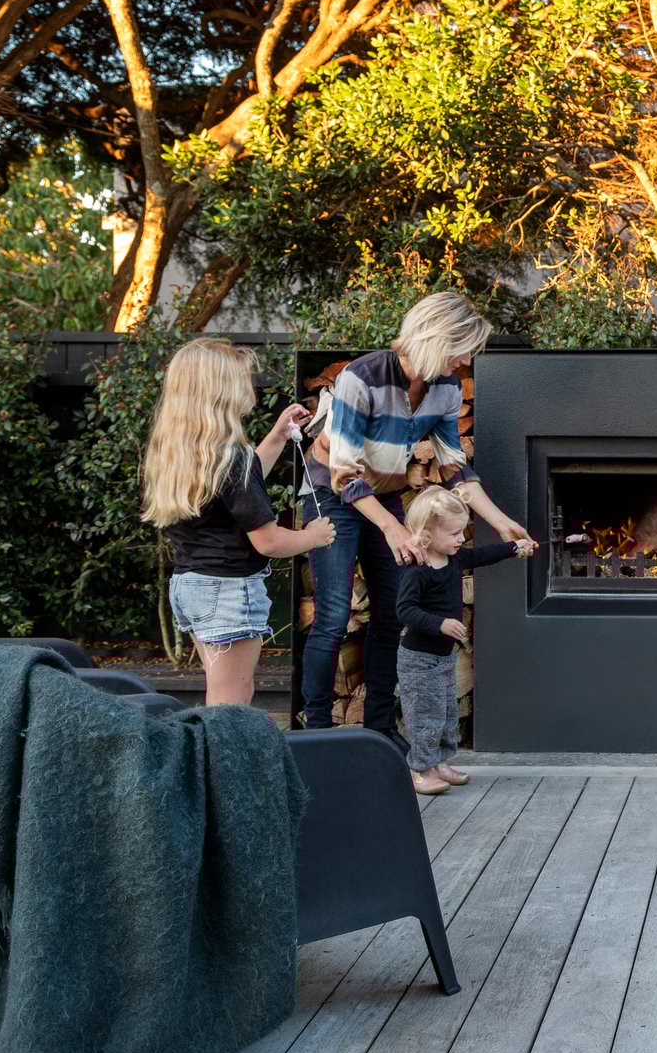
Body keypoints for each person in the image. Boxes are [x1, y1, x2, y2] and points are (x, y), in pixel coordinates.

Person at [298, 292, 533, 736]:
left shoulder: (444, 389)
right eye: (461, 349)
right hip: (332, 495)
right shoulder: (360, 378)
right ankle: (317, 735)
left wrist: (499, 520)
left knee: (391, 612)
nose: (464, 361)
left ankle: (379, 732)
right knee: (331, 617)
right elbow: (344, 475)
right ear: (436, 337)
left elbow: (452, 465)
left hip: (384, 494)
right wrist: (391, 527)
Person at [143, 337, 335, 706]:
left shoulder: (182, 453)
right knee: (230, 703)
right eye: (243, 379)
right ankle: (219, 766)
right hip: (227, 591)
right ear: (224, 391)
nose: (250, 387)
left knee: (221, 696)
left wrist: (278, 435)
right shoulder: (233, 460)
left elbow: (240, 486)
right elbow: (269, 543)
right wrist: (313, 535)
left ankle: (210, 763)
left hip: (192, 586)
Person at [393, 486, 535, 793]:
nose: (461, 539)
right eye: (455, 533)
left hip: (443, 657)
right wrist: (440, 623)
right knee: (424, 715)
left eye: (462, 532)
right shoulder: (417, 571)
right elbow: (405, 610)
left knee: (445, 712)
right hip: (419, 659)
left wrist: (513, 548)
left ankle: (439, 763)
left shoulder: (454, 559)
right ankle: (420, 770)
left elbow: (482, 555)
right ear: (428, 535)